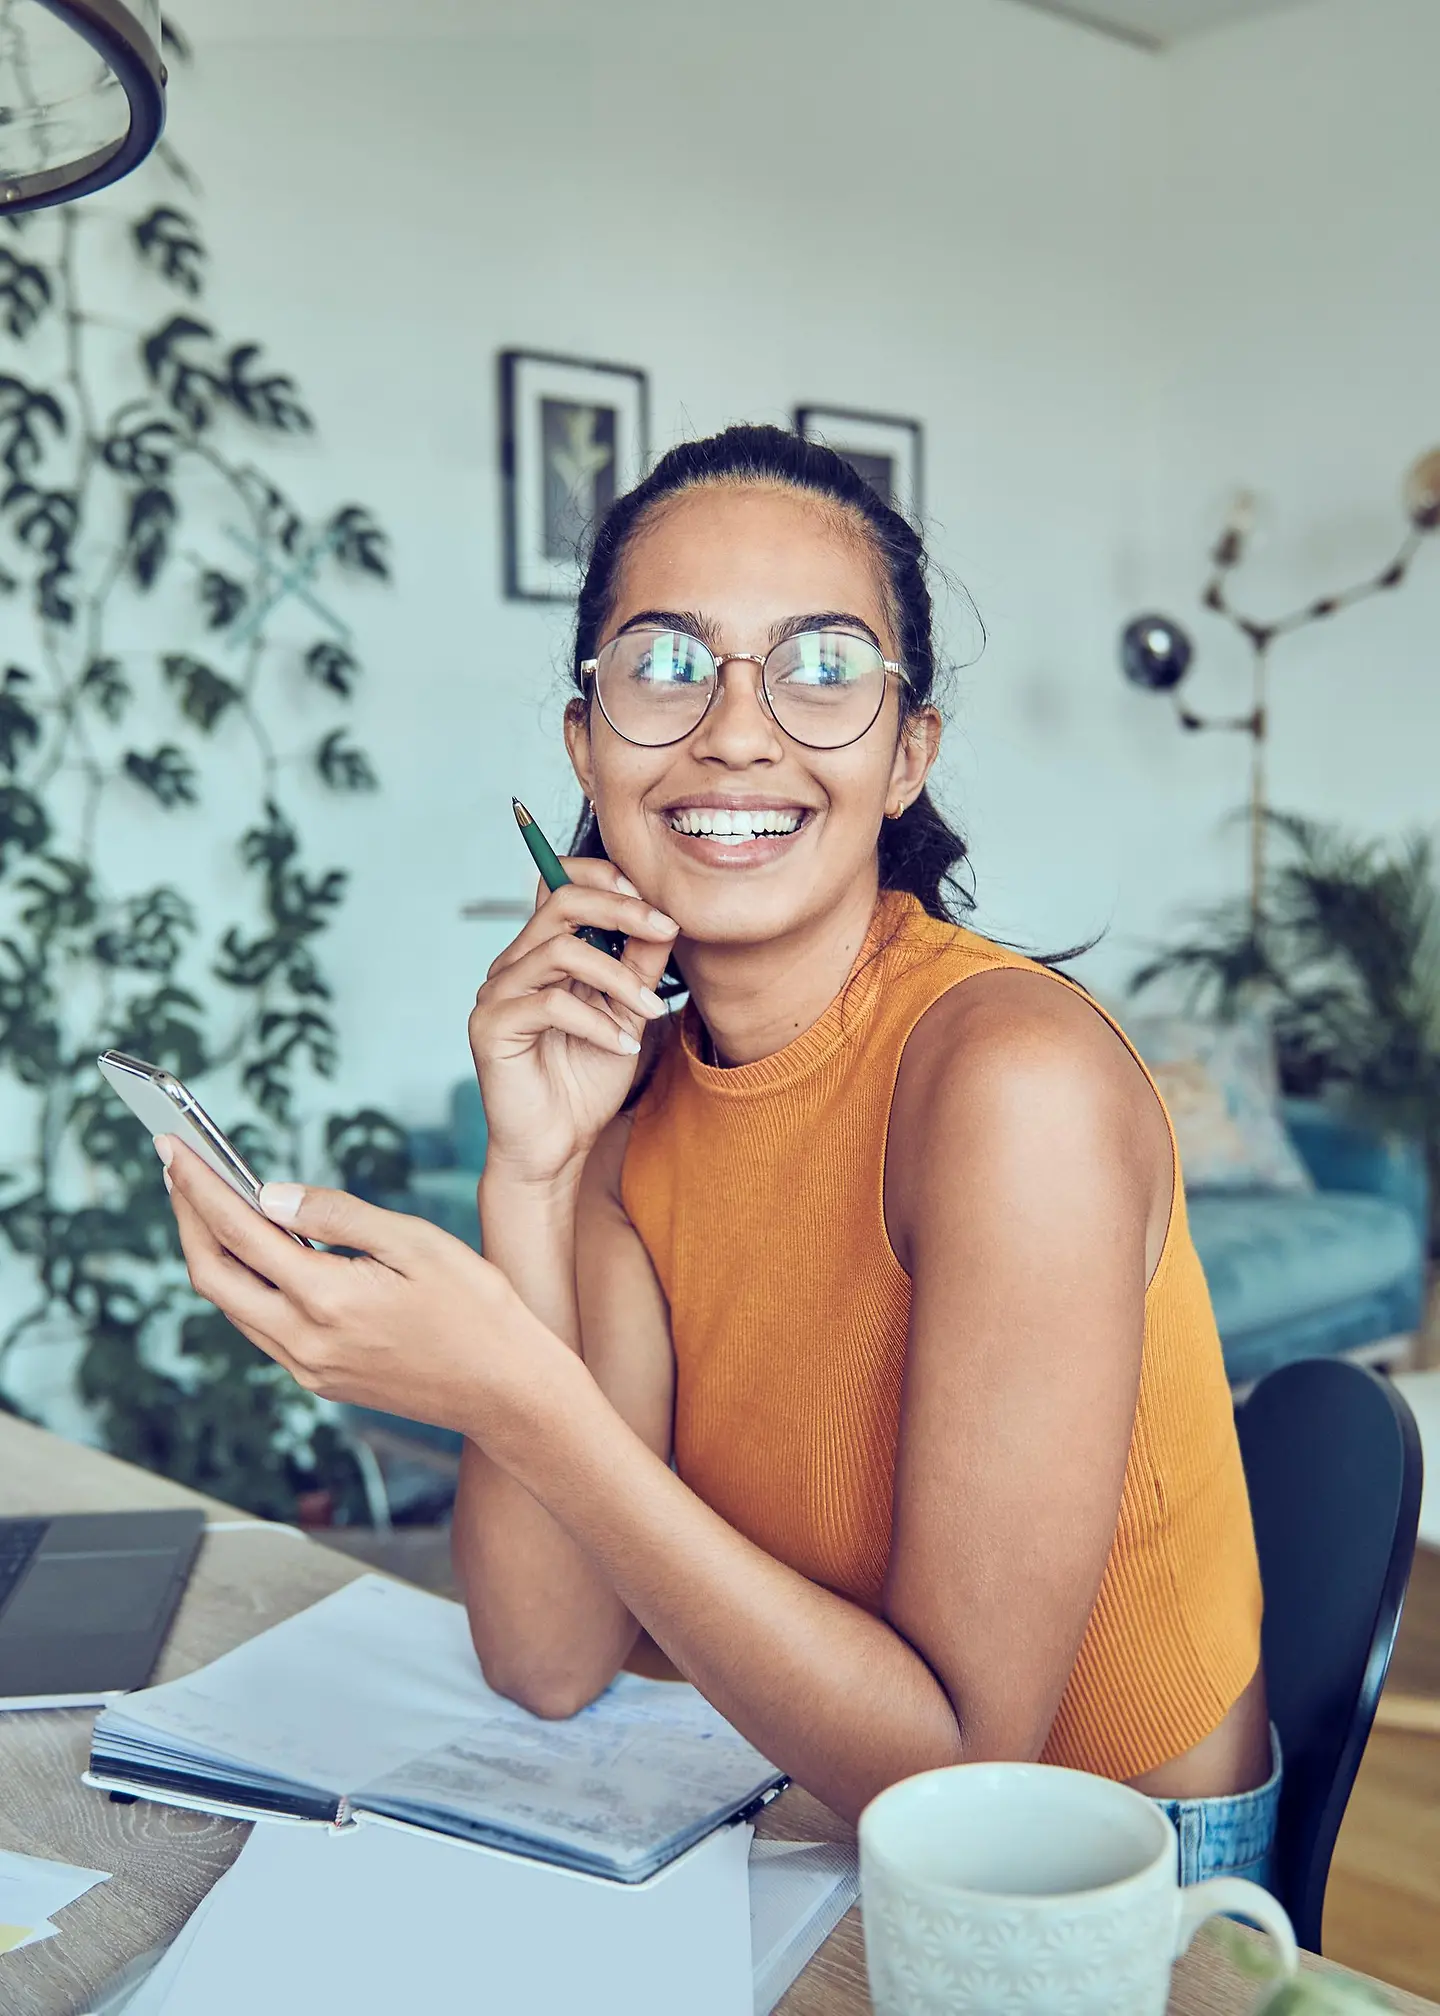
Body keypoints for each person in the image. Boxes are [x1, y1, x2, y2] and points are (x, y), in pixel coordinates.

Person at [159, 423, 1280, 1887]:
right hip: (790, 1803)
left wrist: (509, 1384)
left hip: (1104, 1876)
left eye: (822, 668)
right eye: (667, 666)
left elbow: (964, 1766)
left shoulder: (1016, 1081)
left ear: (906, 755)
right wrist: (534, 1181)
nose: (735, 733)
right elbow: (547, 1657)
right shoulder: (638, 1121)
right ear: (586, 743)